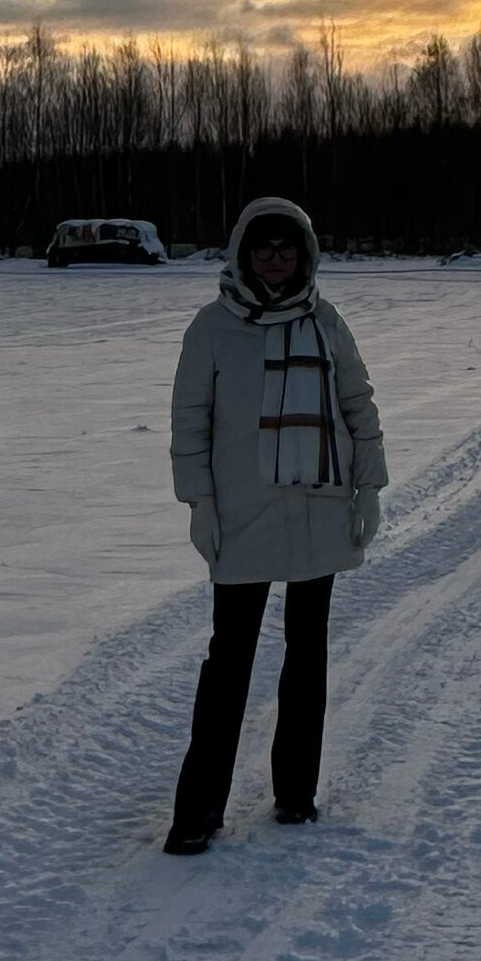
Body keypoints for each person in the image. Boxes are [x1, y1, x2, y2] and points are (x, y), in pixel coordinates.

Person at [165, 196, 386, 852]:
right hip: (241, 514)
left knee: (307, 653)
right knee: (229, 661)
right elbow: (189, 423)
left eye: (287, 247)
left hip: (319, 508)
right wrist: (199, 502)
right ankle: (198, 813)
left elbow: (356, 401)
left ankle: (296, 796)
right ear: (242, 251)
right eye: (263, 247)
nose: (275, 259)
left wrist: (368, 486)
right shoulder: (212, 327)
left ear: (305, 252)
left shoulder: (326, 321)